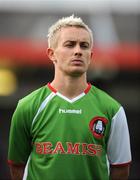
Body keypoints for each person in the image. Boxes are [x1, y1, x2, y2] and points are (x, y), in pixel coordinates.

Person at [8, 15, 132, 180]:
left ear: (91, 55)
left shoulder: (112, 109)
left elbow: (121, 169)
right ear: (52, 54)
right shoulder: (28, 106)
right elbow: (17, 165)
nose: (78, 51)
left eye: (84, 46)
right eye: (70, 44)